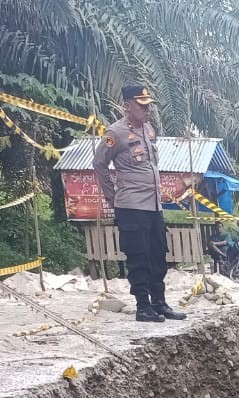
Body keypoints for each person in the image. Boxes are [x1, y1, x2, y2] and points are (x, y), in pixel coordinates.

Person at [93, 83, 185, 323]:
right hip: (131, 205)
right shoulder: (116, 133)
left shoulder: (149, 130)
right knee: (138, 256)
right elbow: (99, 164)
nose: (147, 110)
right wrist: (112, 196)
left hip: (154, 205)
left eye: (148, 106)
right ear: (127, 105)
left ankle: (160, 303)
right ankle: (143, 307)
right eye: (142, 106)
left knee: (158, 254)